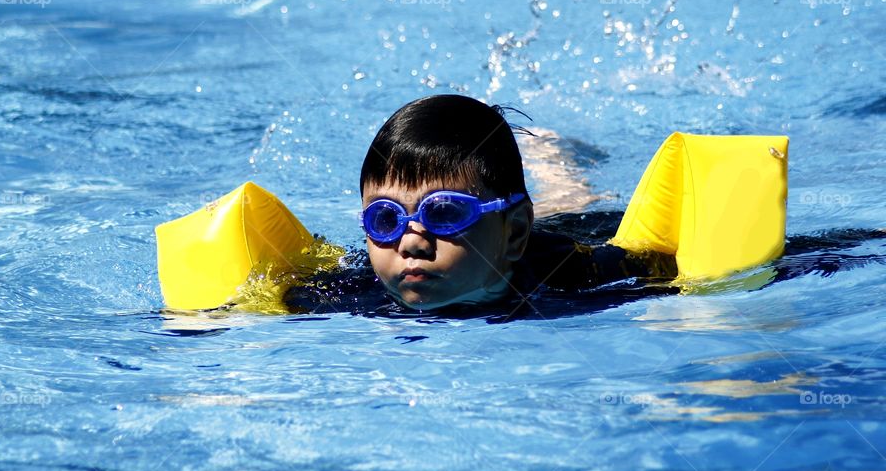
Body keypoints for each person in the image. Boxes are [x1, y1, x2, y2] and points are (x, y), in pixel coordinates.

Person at [282, 94, 676, 317]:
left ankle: (555, 161)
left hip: (563, 238)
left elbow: (670, 272)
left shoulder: (577, 274)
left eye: (444, 213)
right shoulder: (346, 293)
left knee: (572, 203)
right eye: (385, 218)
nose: (410, 243)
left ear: (516, 232)